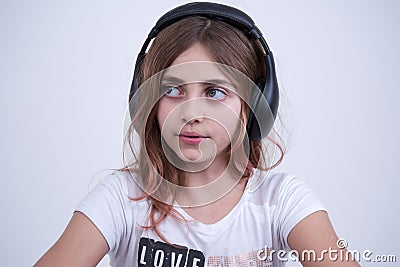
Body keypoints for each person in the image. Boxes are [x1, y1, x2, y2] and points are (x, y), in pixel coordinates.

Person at [34, 2, 360, 267]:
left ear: (253, 106)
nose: (190, 114)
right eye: (173, 90)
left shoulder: (280, 201)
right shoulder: (120, 199)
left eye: (215, 92)